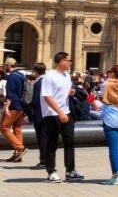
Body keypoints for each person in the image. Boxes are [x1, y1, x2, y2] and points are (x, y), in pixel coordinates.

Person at [41, 52, 84, 183]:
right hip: (52, 114)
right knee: (52, 143)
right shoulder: (49, 76)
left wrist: (71, 92)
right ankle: (51, 172)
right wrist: (59, 112)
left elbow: (62, 92)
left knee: (70, 142)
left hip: (66, 112)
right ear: (61, 61)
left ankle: (70, 170)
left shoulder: (66, 76)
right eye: (68, 60)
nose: (70, 62)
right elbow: (47, 97)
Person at [1, 57, 29, 162]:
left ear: (8, 65)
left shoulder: (11, 76)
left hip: (14, 106)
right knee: (17, 127)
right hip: (22, 105)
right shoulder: (21, 75)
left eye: (5, 65)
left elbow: (11, 93)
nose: (4, 67)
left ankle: (20, 148)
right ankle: (17, 155)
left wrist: (6, 107)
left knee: (3, 127)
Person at [30, 63, 48, 169]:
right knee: (45, 136)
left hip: (40, 113)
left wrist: (31, 111)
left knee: (41, 137)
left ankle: (44, 161)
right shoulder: (47, 80)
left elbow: (36, 100)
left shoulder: (39, 83)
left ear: (36, 71)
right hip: (47, 112)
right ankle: (47, 160)